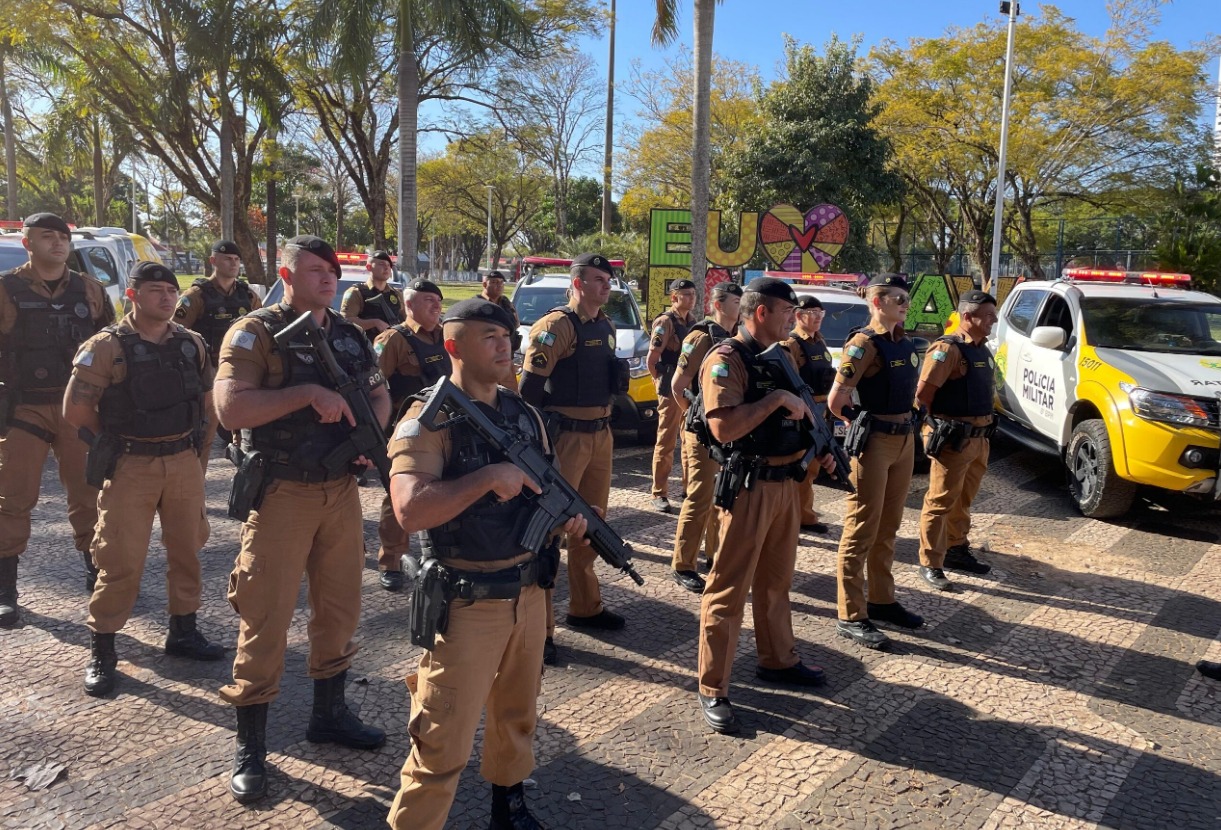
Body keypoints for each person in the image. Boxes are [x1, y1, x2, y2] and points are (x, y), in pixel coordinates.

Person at [385, 298, 586, 830]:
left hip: (529, 594)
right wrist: (486, 479)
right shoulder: (426, 420)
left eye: (507, 338)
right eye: (490, 338)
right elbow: (409, 510)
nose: (506, 347)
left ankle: (509, 809)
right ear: (454, 346)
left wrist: (566, 519)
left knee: (517, 715)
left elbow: (546, 488)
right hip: (467, 602)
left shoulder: (525, 415)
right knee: (442, 735)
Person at [214, 235, 391, 804]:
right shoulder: (255, 333)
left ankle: (329, 714)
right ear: (286, 276)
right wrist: (307, 392)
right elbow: (231, 408)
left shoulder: (348, 334)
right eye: (315, 270)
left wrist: (369, 437)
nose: (328, 278)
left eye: (332, 270)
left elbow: (379, 394)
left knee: (339, 608)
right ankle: (251, 746)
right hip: (282, 492)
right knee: (265, 616)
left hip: (340, 491)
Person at [63, 261, 223, 696]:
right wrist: (114, 445)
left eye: (171, 291)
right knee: (120, 560)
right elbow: (76, 411)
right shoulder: (107, 347)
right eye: (156, 291)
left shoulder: (191, 343)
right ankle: (103, 648)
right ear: (133, 295)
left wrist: (197, 458)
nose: (167, 298)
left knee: (187, 551)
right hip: (131, 464)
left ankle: (184, 631)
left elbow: (207, 405)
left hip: (183, 461)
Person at [695, 277, 835, 734]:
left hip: (785, 484)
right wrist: (775, 400)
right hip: (748, 487)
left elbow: (802, 415)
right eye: (786, 312)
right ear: (760, 312)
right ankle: (713, 686)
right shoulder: (726, 359)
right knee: (728, 588)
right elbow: (722, 428)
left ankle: (777, 659)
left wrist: (820, 448)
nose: (793, 319)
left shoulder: (781, 356)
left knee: (776, 582)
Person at [0, 212, 114, 628]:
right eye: (47, 236)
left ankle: (96, 572)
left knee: (88, 493)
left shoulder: (90, 289)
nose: (58, 243)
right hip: (23, 409)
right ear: (28, 243)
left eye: (63, 237)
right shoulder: (5, 289)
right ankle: (5, 590)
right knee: (13, 497)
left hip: (76, 407)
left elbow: (112, 344)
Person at [520, 253, 626, 666]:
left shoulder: (606, 325)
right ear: (578, 283)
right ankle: (540, 629)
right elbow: (529, 391)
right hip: (565, 438)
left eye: (608, 280)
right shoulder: (556, 327)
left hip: (601, 435)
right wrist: (536, 446)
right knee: (550, 531)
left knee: (592, 524)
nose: (607, 286)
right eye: (599, 279)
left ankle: (585, 607)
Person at [828, 274, 924, 651]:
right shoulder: (863, 344)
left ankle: (882, 600)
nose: (905, 304)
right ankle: (851, 613)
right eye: (898, 298)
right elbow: (837, 402)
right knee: (862, 525)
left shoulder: (904, 341)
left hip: (905, 440)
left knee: (889, 524)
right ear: (877, 302)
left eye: (906, 298)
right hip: (876, 443)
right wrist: (861, 421)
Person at [914, 290, 999, 590]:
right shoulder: (947, 349)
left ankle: (956, 548)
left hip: (979, 439)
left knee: (963, 499)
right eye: (988, 316)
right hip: (954, 439)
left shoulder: (982, 349)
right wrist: (934, 428)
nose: (994, 320)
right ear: (967, 317)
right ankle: (930, 561)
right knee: (940, 501)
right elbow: (923, 396)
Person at [372, 278, 451, 591]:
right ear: (409, 304)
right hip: (406, 432)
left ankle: (444, 555)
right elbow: (372, 386)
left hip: (445, 429)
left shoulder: (446, 335)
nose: (436, 305)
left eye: (438, 300)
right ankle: (391, 561)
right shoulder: (392, 339)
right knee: (398, 497)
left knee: (445, 492)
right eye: (428, 299)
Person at [668, 282, 742, 594]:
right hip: (702, 433)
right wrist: (697, 419)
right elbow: (677, 385)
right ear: (719, 304)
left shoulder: (737, 337)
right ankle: (683, 564)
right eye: (736, 302)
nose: (741, 307)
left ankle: (714, 556)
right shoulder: (700, 336)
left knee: (722, 496)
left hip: (727, 430)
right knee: (699, 497)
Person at [173, 239, 262, 470]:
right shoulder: (196, 296)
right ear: (213, 261)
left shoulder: (248, 296)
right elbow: (176, 333)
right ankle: (194, 484)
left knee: (247, 436)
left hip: (241, 372)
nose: (233, 264)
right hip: (207, 373)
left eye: (236, 260)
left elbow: (263, 328)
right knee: (203, 436)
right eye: (227, 259)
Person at [782, 295, 835, 535]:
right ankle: (790, 517)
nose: (817, 317)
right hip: (803, 410)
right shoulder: (792, 344)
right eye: (812, 312)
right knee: (799, 465)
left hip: (821, 410)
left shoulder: (819, 341)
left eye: (820, 313)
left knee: (812, 467)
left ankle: (805, 515)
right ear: (798, 315)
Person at [646, 278, 698, 513]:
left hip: (689, 388)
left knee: (690, 440)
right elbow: (652, 359)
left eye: (693, 294)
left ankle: (689, 488)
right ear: (674, 297)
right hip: (670, 387)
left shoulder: (693, 322)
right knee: (666, 441)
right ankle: (659, 493)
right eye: (686, 294)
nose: (691, 298)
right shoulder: (665, 322)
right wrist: (659, 381)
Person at [341, 250, 405, 341]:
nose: (386, 268)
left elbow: (407, 320)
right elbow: (345, 322)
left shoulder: (397, 293)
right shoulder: (356, 292)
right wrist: (374, 323)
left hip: (393, 346)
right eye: (381, 264)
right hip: (366, 346)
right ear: (369, 267)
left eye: (388, 265)